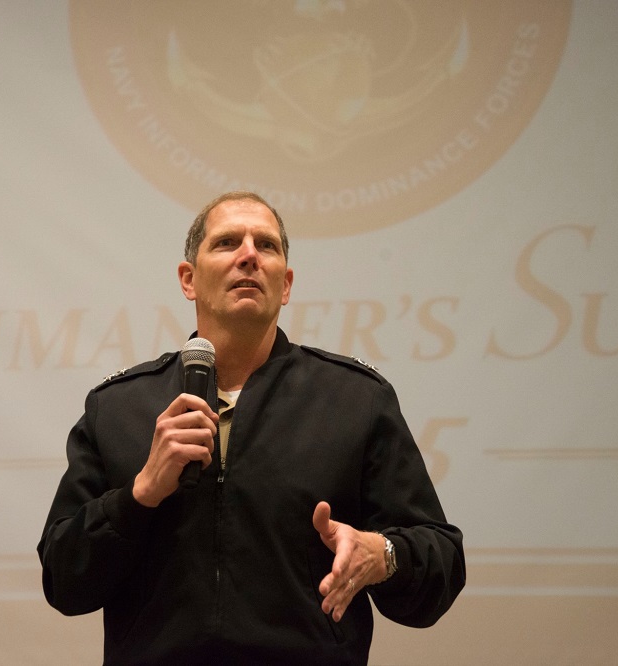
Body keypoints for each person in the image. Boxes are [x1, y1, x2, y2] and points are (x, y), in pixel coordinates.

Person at [38, 191, 465, 665]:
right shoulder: (116, 408)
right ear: (188, 280)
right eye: (226, 243)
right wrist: (138, 496)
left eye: (266, 245)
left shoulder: (355, 400)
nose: (248, 256)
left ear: (285, 284)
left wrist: (381, 554)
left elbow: (441, 559)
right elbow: (63, 579)